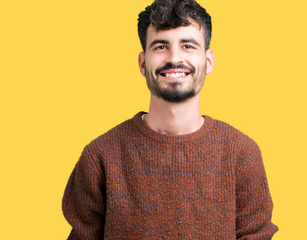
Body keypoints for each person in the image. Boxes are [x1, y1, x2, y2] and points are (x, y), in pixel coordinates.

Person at [62, 0, 278, 239]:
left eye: (187, 45)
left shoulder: (242, 153)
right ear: (143, 63)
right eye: (161, 47)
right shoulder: (99, 157)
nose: (174, 58)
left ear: (208, 61)